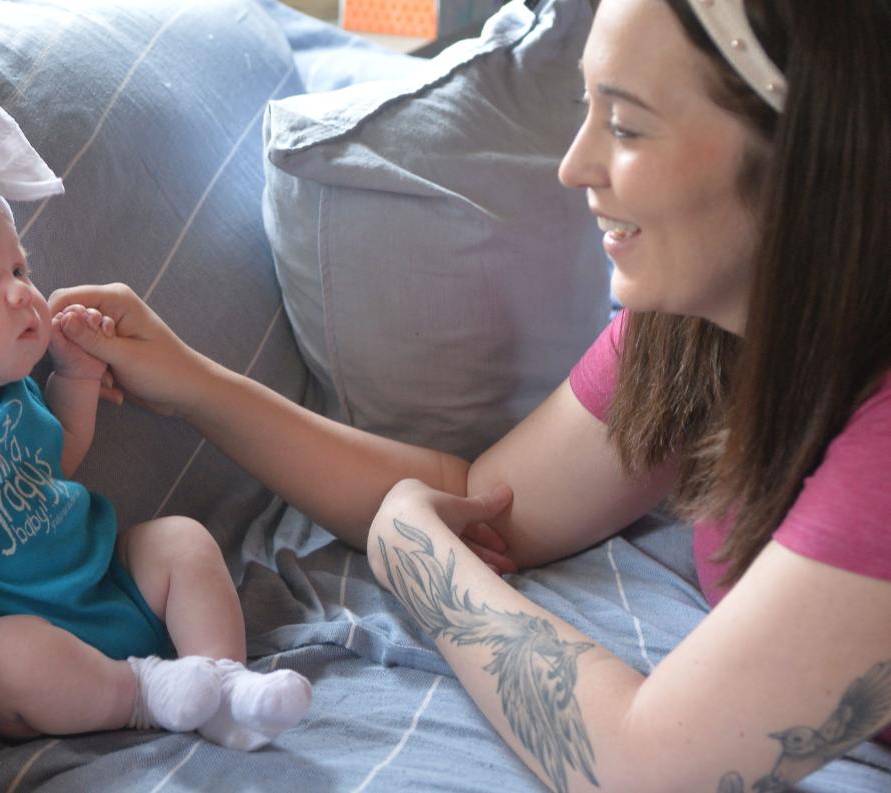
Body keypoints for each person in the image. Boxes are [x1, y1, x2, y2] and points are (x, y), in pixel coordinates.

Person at [47, 1, 891, 790]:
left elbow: (639, 762)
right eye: (585, 106)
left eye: (627, 124)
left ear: (808, 157)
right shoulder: (703, 324)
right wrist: (195, 384)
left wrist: (416, 554)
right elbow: (484, 499)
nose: (575, 165)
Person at [0, 105, 312, 751]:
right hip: (19, 640)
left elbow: (59, 458)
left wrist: (72, 377)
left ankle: (223, 681)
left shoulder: (9, 390)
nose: (21, 292)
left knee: (180, 540)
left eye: (19, 269)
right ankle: (146, 695)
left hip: (109, 581)